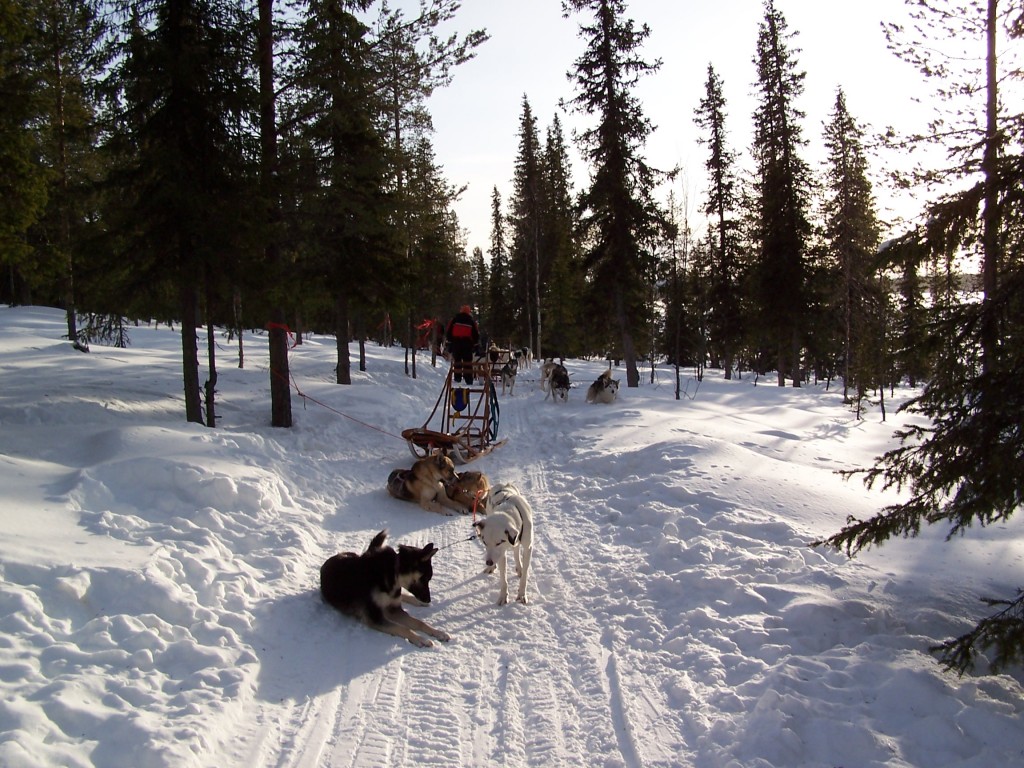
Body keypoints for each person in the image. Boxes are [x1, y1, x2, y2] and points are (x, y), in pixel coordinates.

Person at [445, 304, 480, 385]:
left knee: (457, 360)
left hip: (456, 342)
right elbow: (475, 334)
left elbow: (449, 331)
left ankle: (457, 377)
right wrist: (476, 344)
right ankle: (468, 379)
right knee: (467, 361)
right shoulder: (471, 321)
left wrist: (450, 342)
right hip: (467, 343)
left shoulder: (454, 319)